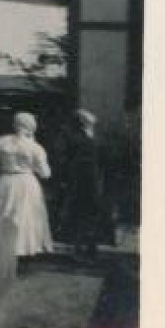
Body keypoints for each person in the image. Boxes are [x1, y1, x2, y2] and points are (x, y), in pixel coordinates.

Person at [0, 111, 54, 259]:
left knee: (4, 211)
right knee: (25, 214)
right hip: (26, 182)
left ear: (14, 124)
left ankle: (2, 245)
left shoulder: (1, 142)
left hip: (6, 180)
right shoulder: (35, 147)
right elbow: (45, 173)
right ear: (32, 128)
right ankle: (24, 247)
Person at [59, 109, 114, 260]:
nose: (90, 123)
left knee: (93, 213)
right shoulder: (73, 137)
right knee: (79, 213)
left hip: (94, 180)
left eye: (91, 121)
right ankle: (78, 248)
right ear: (81, 122)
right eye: (86, 121)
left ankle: (92, 247)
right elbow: (66, 158)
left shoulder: (97, 137)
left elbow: (105, 159)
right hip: (78, 180)